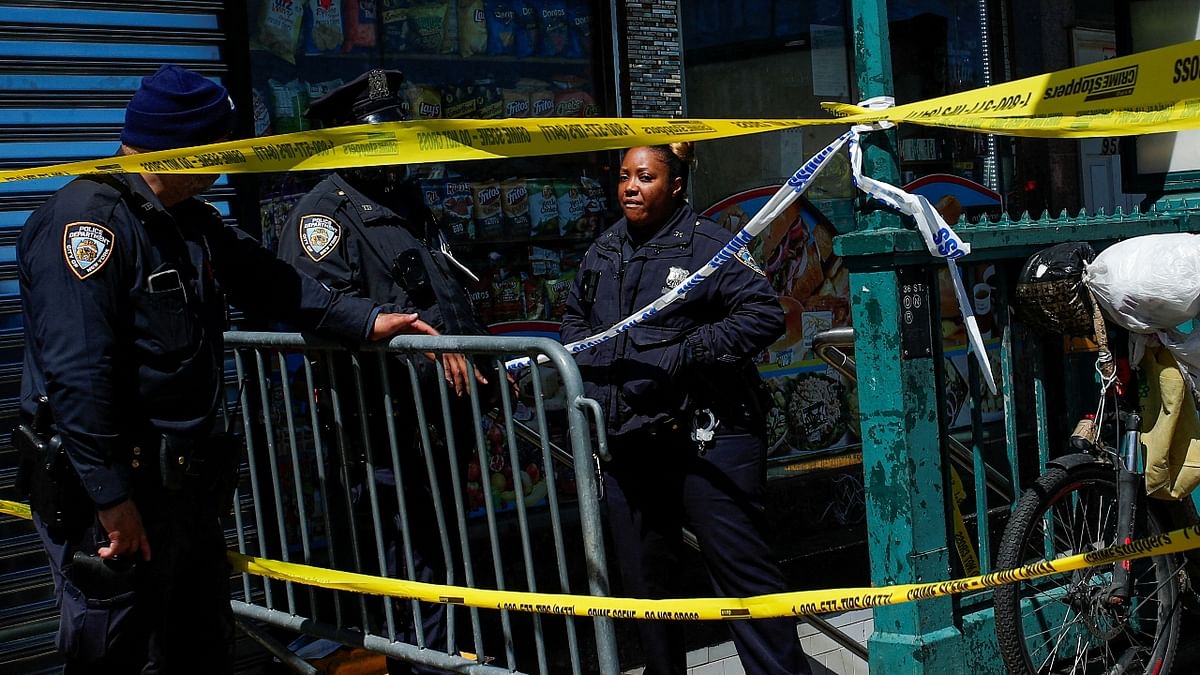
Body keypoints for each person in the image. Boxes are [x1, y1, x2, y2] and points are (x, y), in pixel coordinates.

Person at [15, 64, 443, 674]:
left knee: (198, 650)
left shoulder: (190, 222)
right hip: (114, 496)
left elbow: (276, 284)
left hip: (182, 488)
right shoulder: (88, 225)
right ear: (184, 148)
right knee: (114, 654)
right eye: (222, 148)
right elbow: (79, 375)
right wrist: (112, 499)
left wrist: (367, 320)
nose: (230, 162)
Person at [560, 143, 810, 675]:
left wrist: (688, 352)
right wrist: (604, 365)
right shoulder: (603, 250)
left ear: (675, 185)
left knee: (743, 575)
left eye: (645, 177)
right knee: (647, 583)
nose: (630, 187)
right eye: (624, 176)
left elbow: (765, 315)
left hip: (711, 436)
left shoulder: (710, 248)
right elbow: (574, 318)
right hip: (631, 437)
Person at [275, 69, 491, 675]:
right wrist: (391, 333)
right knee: (408, 569)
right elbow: (318, 307)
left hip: (436, 424)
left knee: (444, 561)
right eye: (381, 136)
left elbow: (443, 294)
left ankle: (442, 659)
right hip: (379, 429)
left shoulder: (405, 203)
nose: (395, 147)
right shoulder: (323, 215)